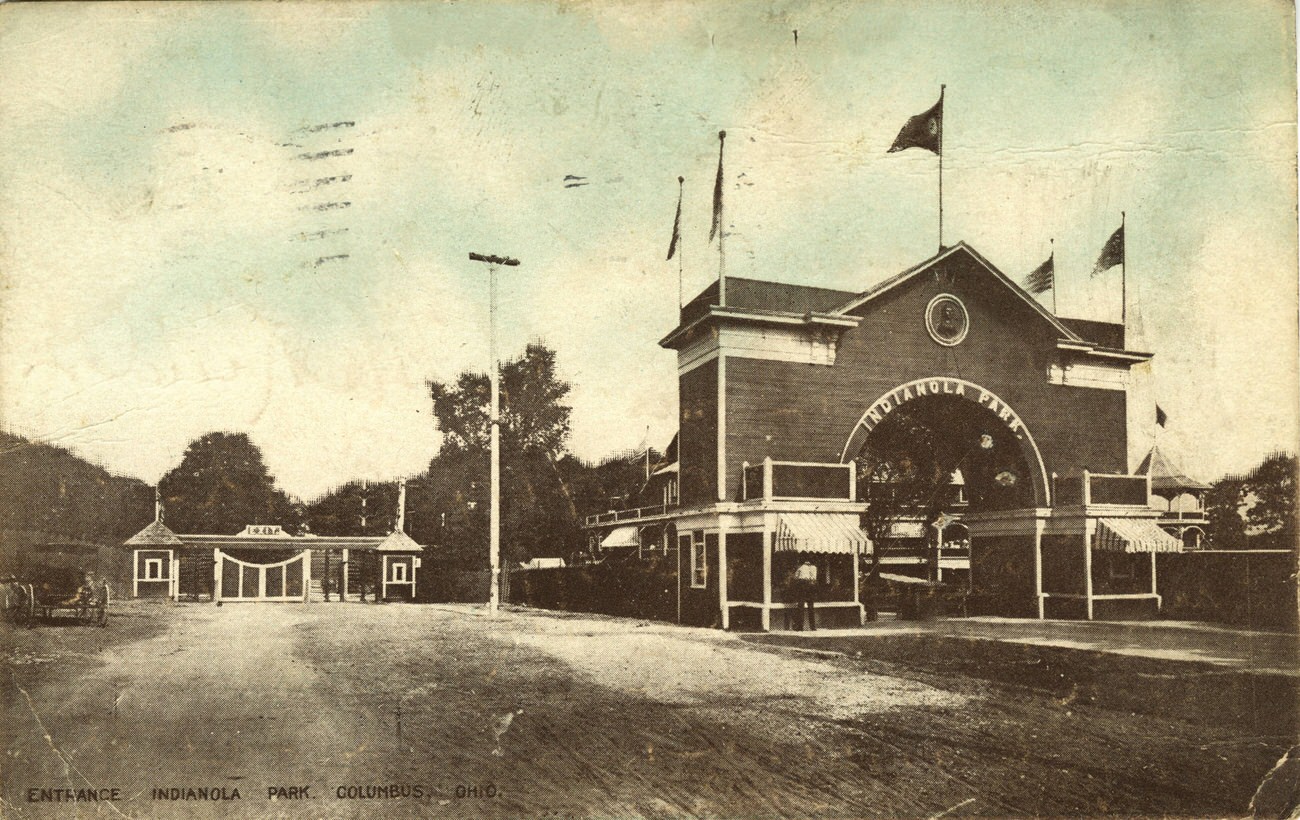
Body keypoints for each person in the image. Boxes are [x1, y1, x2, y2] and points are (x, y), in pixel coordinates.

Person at [794, 560, 819, 631]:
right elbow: (814, 578)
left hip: (803, 585)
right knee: (811, 607)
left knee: (801, 606)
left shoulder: (801, 567)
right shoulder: (814, 567)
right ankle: (813, 627)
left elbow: (796, 577)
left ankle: (800, 626)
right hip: (811, 586)